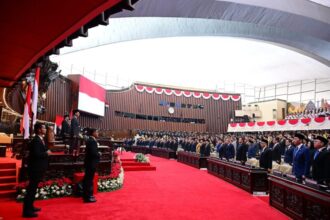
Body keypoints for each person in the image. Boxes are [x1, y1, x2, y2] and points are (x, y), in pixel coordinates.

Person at [23, 123, 51, 218]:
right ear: (39, 130)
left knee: (33, 189)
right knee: (31, 190)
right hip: (35, 169)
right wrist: (46, 153)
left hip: (38, 168)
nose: (45, 129)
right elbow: (37, 154)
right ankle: (27, 211)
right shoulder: (36, 140)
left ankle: (30, 206)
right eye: (43, 128)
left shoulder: (40, 139)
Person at [83, 128, 101, 203]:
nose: (98, 133)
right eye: (97, 132)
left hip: (89, 163)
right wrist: (99, 154)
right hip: (91, 163)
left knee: (88, 179)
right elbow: (93, 153)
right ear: (93, 133)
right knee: (89, 180)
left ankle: (87, 195)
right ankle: (88, 197)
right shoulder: (92, 141)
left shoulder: (90, 140)